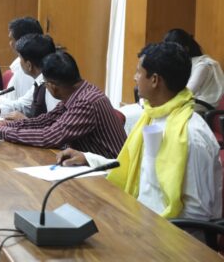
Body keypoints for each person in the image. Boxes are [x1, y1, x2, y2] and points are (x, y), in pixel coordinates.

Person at [57, 42, 222, 221]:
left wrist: (144, 228)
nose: (135, 78)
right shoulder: (152, 116)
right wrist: (88, 159)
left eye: (138, 72)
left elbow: (199, 212)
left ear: (155, 80)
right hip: (139, 217)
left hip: (165, 232)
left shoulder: (191, 135)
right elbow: (137, 173)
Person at [0, 51, 126, 157]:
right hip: (88, 166)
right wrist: (3, 124)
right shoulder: (78, 93)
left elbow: (50, 136)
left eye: (45, 83)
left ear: (53, 86)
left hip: (109, 175)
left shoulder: (86, 102)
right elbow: (44, 121)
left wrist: (1, 131)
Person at [0, 34, 59, 121]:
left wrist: (25, 120)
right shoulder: (39, 82)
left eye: (20, 58)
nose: (19, 62)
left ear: (29, 65)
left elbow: (54, 124)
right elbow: (24, 105)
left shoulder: (51, 87)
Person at [163, 28, 224, 109]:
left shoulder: (202, 65)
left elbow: (188, 92)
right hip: (189, 103)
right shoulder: (181, 65)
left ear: (185, 49)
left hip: (205, 106)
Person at [5, 17, 44, 101]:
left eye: (12, 39)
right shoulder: (20, 62)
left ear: (22, 41)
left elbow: (23, 104)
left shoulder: (29, 66)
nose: (10, 43)